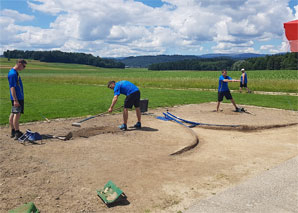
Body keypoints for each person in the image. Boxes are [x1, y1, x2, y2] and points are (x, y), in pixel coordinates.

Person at [8, 59, 27, 139]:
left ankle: (13, 131)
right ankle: (17, 132)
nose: (24, 68)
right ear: (19, 64)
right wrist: (15, 100)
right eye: (24, 66)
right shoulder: (13, 74)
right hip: (17, 98)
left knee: (13, 113)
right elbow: (12, 87)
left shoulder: (14, 72)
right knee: (17, 114)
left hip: (18, 97)